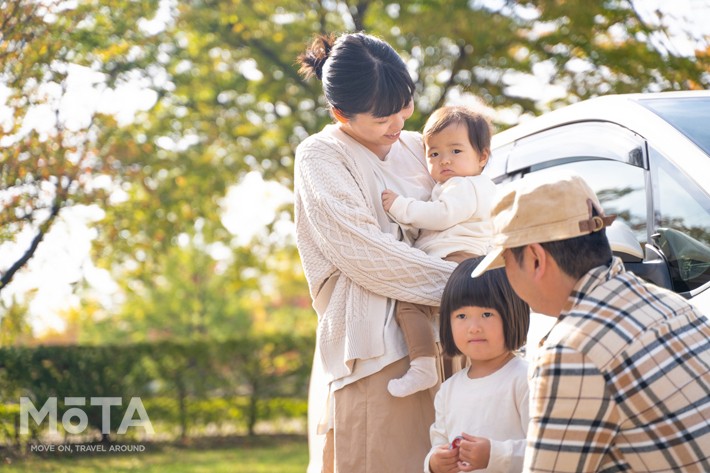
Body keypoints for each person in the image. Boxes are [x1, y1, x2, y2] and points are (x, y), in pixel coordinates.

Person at [294, 32, 459, 473]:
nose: (399, 123)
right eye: (382, 117)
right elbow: (365, 254)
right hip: (380, 354)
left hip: (454, 340)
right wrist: (469, 284)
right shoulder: (321, 156)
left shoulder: (418, 148)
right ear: (339, 114)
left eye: (404, 106)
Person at [472, 170, 710, 472]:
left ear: (534, 259)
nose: (505, 276)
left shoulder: (572, 350)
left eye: (505, 262)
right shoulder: (670, 304)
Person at [380, 106, 496, 397]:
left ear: (482, 156)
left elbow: (442, 215)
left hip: (458, 259)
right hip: (457, 260)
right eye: (434, 153)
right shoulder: (457, 185)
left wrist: (400, 207)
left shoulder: (464, 186)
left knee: (408, 304)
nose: (444, 160)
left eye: (456, 151)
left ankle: (422, 365)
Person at [426, 256, 530, 473]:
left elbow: (543, 450)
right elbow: (438, 444)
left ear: (512, 314)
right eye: (462, 315)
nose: (473, 327)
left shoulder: (525, 378)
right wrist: (434, 464)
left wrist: (494, 454)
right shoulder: (448, 390)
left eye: (486, 314)